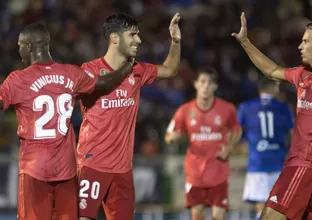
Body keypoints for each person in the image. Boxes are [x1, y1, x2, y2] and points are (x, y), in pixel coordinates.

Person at [0, 23, 133, 220]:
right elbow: (105, 83)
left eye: (20, 45)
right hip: (66, 171)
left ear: (29, 46)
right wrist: (127, 67)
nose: (18, 51)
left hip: (34, 170)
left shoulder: (18, 79)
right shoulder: (71, 73)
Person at [77, 13, 181, 220]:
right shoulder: (89, 71)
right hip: (92, 164)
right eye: (133, 35)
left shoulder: (138, 71)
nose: (139, 40)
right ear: (114, 38)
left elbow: (169, 70)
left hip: (123, 169)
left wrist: (176, 41)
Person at [232, 12, 312, 220]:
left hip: (307, 163)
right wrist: (245, 42)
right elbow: (271, 70)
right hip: (294, 161)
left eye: (306, 41)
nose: (300, 46)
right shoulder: (302, 74)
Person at [165, 68, 242, 220]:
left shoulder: (227, 108)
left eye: (210, 83)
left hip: (218, 170)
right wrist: (173, 137)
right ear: (195, 84)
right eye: (202, 82)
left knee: (218, 216)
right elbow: (168, 135)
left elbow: (236, 130)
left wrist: (230, 147)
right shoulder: (184, 110)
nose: (206, 86)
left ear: (215, 86)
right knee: (197, 214)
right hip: (195, 172)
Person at [237, 77, 294, 220]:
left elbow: (235, 132)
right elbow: (294, 135)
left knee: (260, 207)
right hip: (279, 162)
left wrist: (243, 143)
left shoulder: (246, 106)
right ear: (273, 88)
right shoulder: (284, 107)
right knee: (279, 208)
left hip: (257, 163)